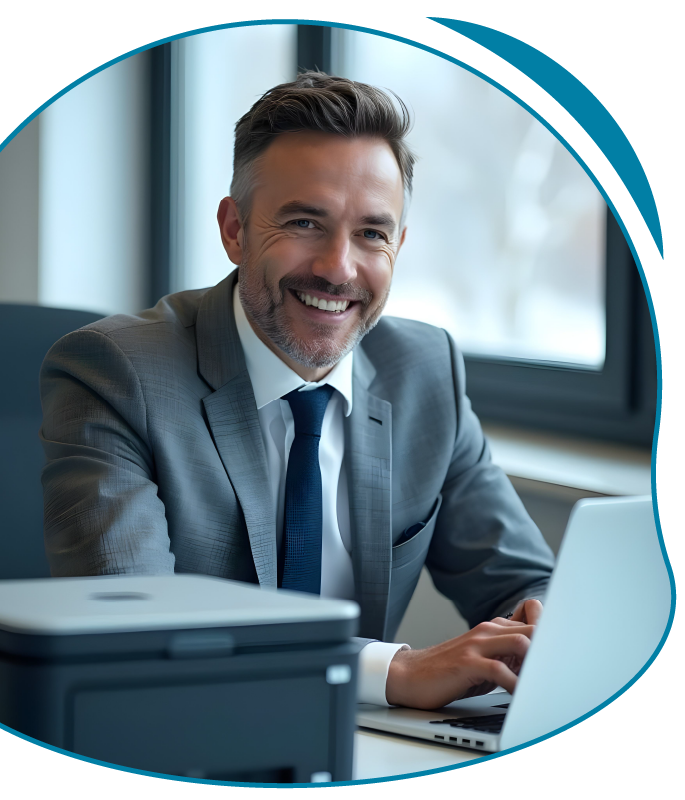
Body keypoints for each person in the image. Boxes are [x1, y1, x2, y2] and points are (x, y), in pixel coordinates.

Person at [40, 71, 555, 711]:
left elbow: (527, 583)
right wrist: (389, 672)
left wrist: (543, 639)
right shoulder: (117, 372)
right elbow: (131, 623)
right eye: (306, 222)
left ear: (398, 245)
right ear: (234, 229)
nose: (339, 268)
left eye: (372, 233)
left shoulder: (425, 371)